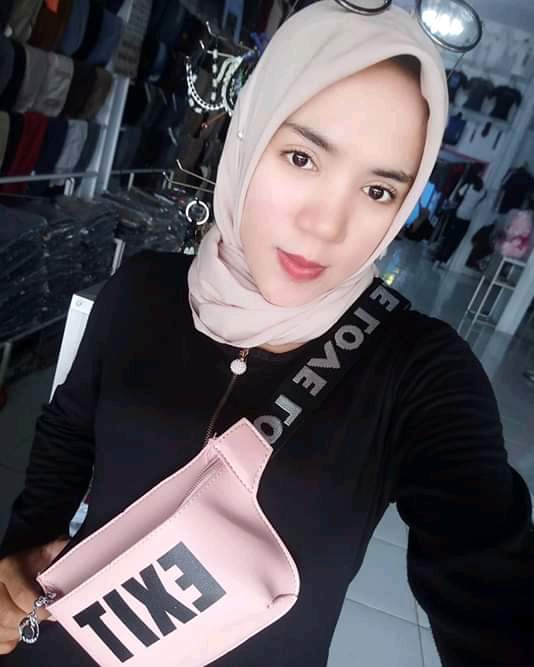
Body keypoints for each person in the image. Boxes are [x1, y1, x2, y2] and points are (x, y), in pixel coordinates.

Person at [0, 2, 533, 666]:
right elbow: (67, 433)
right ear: (250, 138)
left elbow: (489, 572)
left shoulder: (418, 370)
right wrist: (19, 553)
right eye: (302, 157)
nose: (326, 225)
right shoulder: (141, 290)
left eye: (377, 191)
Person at [432, 174, 487, 266]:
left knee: (449, 237)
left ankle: (438, 257)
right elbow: (483, 196)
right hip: (468, 217)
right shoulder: (483, 191)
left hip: (459, 213)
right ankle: (445, 259)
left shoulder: (468, 187)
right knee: (456, 240)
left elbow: (460, 194)